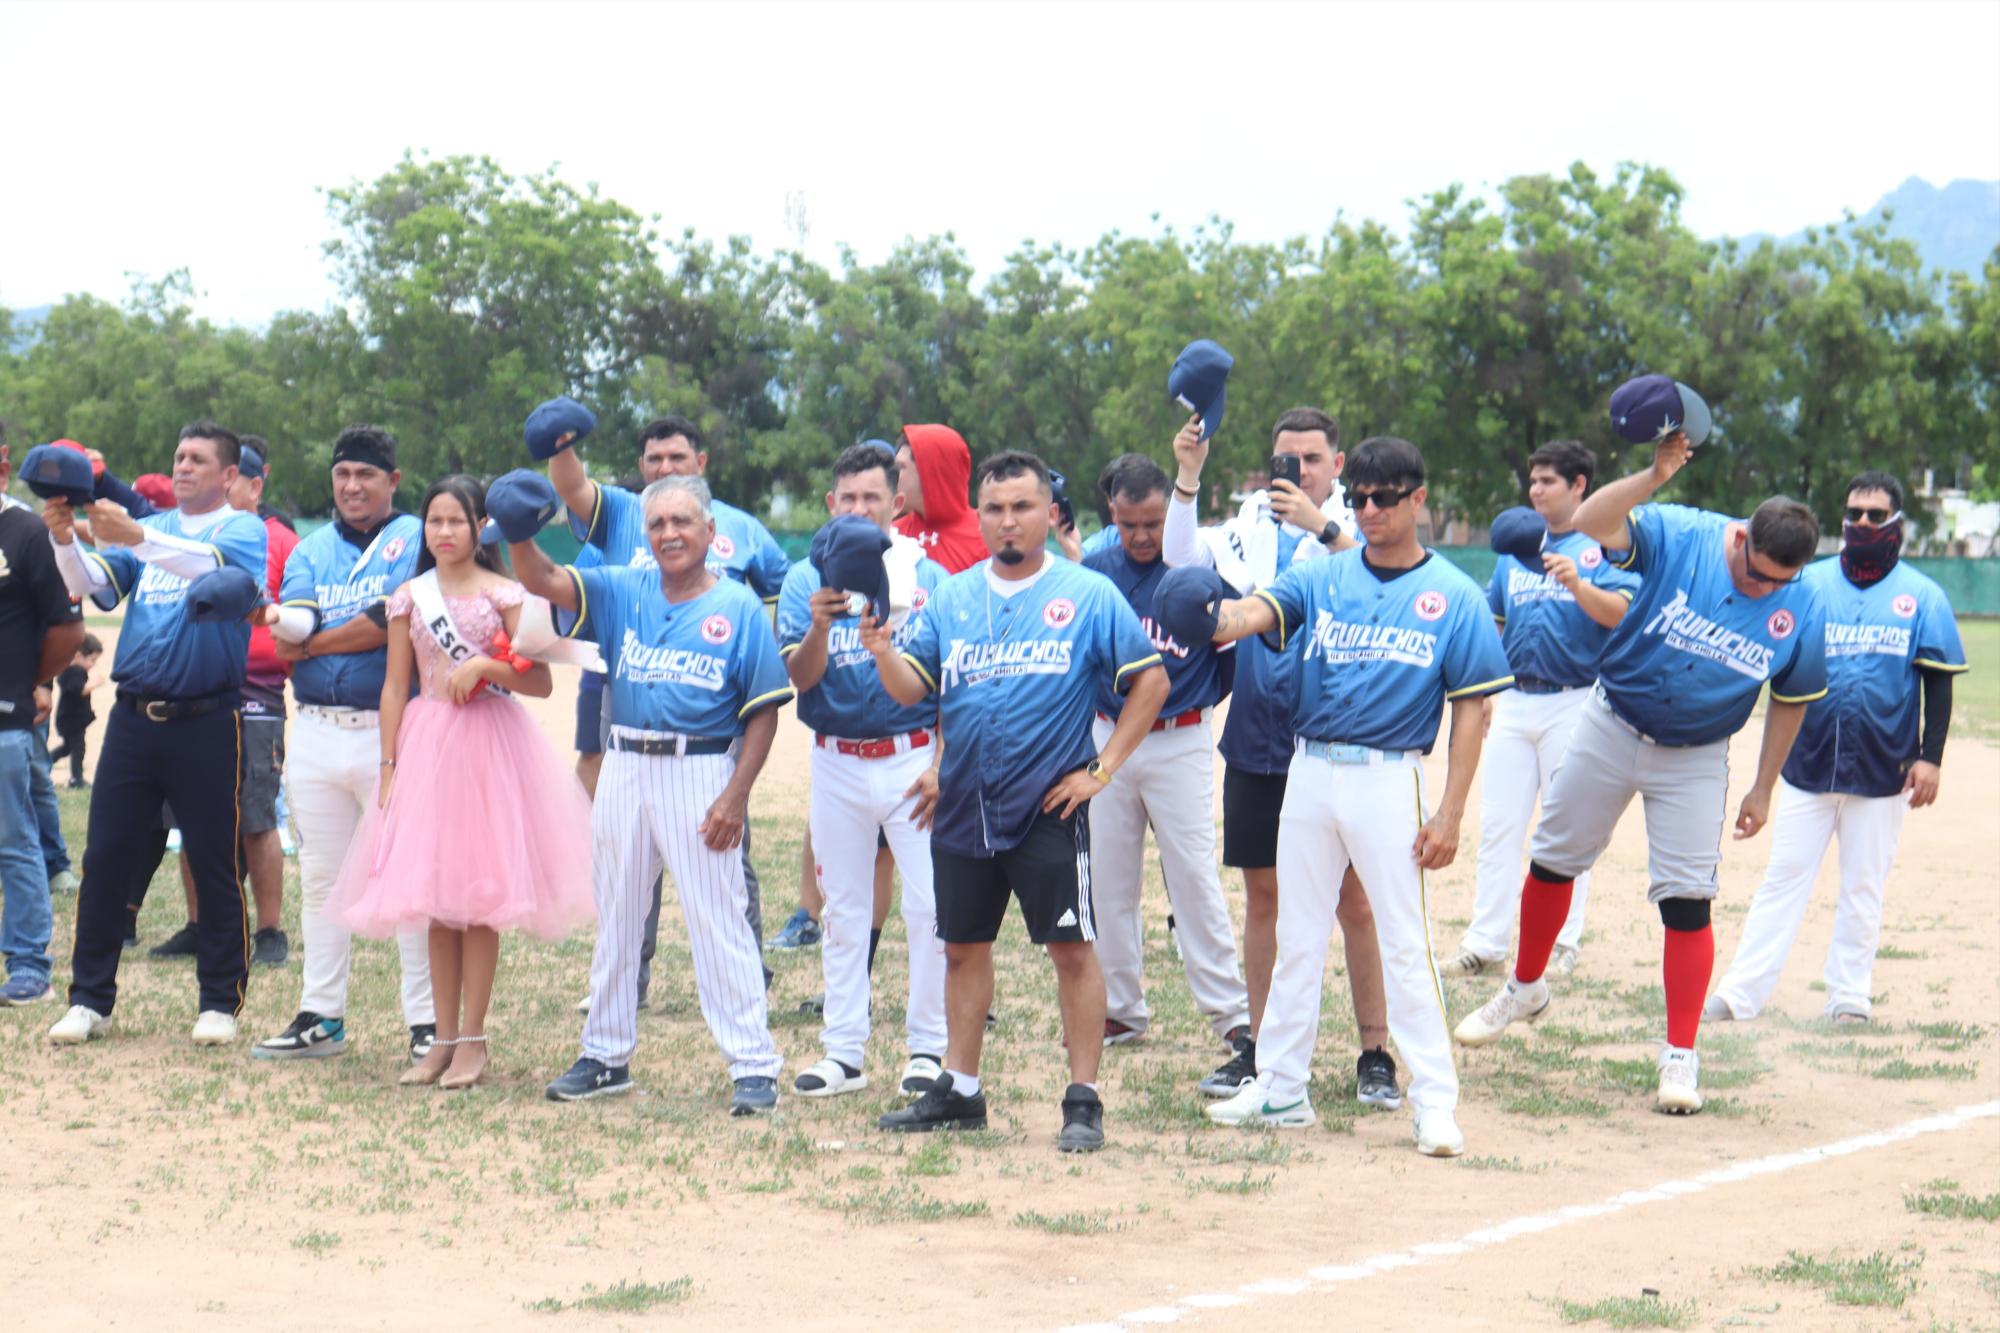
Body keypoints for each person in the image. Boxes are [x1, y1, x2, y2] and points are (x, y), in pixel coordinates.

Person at [1453, 423, 1828, 1116]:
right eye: (1754, 574)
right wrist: (1654, 476)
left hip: (1696, 753)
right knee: (1552, 860)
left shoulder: (1800, 602)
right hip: (1612, 718)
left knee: (1687, 899)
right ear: (1742, 538)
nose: (1760, 590)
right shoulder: (1686, 534)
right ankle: (1525, 986)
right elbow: (1589, 520)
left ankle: (1680, 1053)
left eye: (1777, 583)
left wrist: (1762, 785)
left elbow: (1791, 701)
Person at [1190, 436, 1509, 1156]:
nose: (1367, 511)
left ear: (1418, 500)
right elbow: (1257, 614)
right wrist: (1208, 616)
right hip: (1309, 768)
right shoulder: (1327, 577)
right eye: (1358, 498)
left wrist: (1451, 810)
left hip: (1386, 773)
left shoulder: (1454, 595)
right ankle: (1280, 1088)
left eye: (1383, 499)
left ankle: (1434, 1101)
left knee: (1404, 941)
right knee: (1299, 935)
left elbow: (1472, 709)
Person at [869, 450, 1170, 1152]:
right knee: (962, 948)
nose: (1008, 520)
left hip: (1049, 809)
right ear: (980, 515)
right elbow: (914, 690)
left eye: (1023, 507)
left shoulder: (1087, 594)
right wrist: (882, 649)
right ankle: (962, 1089)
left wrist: (1101, 767)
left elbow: (1149, 682)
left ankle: (1083, 1098)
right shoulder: (951, 597)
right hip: (964, 806)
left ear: (1049, 514)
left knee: (1070, 948)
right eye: (996, 508)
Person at [502, 471, 793, 1114]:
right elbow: (545, 582)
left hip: (703, 767)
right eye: (657, 524)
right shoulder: (623, 587)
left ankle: (753, 1064)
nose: (668, 534)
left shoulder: (737, 606)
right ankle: (605, 1055)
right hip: (626, 762)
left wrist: (735, 797)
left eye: (682, 521)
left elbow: (764, 711)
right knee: (619, 917)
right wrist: (519, 533)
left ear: (711, 532)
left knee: (719, 921)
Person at [1163, 406, 1401, 1108]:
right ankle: (1260, 1050)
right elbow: (1181, 561)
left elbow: (1375, 570)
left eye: (1312, 458)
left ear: (1338, 462)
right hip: (1258, 738)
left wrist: (1319, 524)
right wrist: (1186, 478)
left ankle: (1374, 1051)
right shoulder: (1245, 526)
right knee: (1263, 898)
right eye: (1285, 458)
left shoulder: (1360, 527)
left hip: (1338, 735)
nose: (1296, 470)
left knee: (1353, 902)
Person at [327, 476, 593, 1088]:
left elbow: (539, 683)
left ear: (481, 528)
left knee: (478, 904)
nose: (443, 532)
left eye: (456, 521)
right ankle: (440, 1039)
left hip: (489, 750)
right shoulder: (410, 597)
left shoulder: (508, 594)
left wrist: (484, 664)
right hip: (426, 748)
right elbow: (396, 686)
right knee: (436, 907)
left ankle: (473, 1039)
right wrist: (389, 765)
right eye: (434, 521)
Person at [543, 411, 789, 1002]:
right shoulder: (625, 512)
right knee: (629, 847)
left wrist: (759, 654)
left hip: (711, 699)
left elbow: (779, 592)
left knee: (726, 840)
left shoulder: (741, 527)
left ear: (701, 464)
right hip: (624, 681)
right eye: (653, 460)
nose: (663, 468)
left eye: (676, 459)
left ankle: (745, 971)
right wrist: (558, 442)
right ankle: (633, 977)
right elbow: (571, 488)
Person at [1707, 471, 1967, 1025]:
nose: (1863, 524)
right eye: (1854, 515)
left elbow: (1938, 680)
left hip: (1885, 766)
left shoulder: (1922, 595)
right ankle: (1740, 992)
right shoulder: (1810, 584)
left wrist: (1932, 756)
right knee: (1782, 878)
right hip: (1809, 761)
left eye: (1876, 515)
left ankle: (1849, 996)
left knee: (1863, 886)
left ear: (1896, 523)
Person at [42, 421, 267, 1046]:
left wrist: (138, 535)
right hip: (135, 718)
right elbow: (93, 584)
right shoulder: (157, 529)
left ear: (229, 475)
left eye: (197, 458)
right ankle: (89, 999)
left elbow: (216, 572)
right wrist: (65, 543)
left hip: (206, 719)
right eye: (178, 456)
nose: (184, 466)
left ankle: (219, 1001)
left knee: (213, 859)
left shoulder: (240, 527)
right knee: (106, 856)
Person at [252, 426, 437, 1062]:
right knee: (325, 882)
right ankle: (321, 1015)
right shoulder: (310, 548)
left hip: (394, 731)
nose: (353, 486)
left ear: (394, 480)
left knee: (409, 879)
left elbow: (393, 617)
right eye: (343, 475)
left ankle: (427, 1021)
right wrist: (296, 633)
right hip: (318, 732)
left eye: (366, 474)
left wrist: (313, 642)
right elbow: (288, 629)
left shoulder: (416, 536)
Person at [778, 444, 950, 1098]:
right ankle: (843, 1051)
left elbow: (946, 682)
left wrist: (941, 760)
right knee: (844, 909)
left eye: (870, 499)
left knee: (932, 904)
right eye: (846, 498)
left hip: (910, 754)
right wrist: (820, 626)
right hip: (837, 757)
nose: (857, 509)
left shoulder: (926, 576)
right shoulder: (804, 578)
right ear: (830, 504)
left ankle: (928, 1049)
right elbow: (800, 677)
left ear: (896, 504)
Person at [1442, 441, 1639, 979]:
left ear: (1579, 486)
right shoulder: (1515, 549)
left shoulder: (1603, 546)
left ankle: (1560, 943)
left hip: (1575, 700)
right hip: (1513, 698)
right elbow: (1496, 622)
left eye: (1548, 480)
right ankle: (1485, 942)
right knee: (1500, 824)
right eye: (1533, 480)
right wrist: (1481, 693)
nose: (1536, 489)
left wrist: (1577, 583)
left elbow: (1620, 616)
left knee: (1565, 829)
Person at [1082, 456, 1252, 1068]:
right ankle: (1120, 1008)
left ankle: (1232, 1016)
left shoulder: (1197, 573)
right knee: (1109, 878)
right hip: (1108, 736)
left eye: (1154, 521)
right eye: (1130, 524)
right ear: (1113, 516)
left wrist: (1194, 705)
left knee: (1193, 879)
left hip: (1180, 736)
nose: (1143, 536)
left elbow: (1228, 658)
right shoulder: (1096, 572)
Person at [150, 437, 299, 966]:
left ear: (251, 483)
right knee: (191, 816)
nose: (227, 485)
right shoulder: (185, 535)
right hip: (192, 692)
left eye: (237, 478)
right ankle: (199, 924)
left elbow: (289, 610)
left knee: (256, 816)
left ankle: (270, 932)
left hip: (254, 693)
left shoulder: (279, 539)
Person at [0, 441, 87, 1006]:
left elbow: (68, 630)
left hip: (4, 719)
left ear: (3, 464)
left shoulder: (24, 532)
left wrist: (29, 681)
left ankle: (30, 964)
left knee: (12, 843)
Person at [893, 424, 986, 573]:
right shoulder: (892, 534)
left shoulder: (986, 538)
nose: (892, 475)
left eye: (901, 467)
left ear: (929, 472)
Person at [49, 633, 105, 788]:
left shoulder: (68, 670)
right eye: (92, 660)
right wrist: (95, 683)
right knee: (78, 748)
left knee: (68, 748)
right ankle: (76, 779)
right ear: (79, 655)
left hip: (68, 719)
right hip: (71, 720)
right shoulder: (75, 671)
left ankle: (43, 764)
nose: (93, 664)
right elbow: (78, 690)